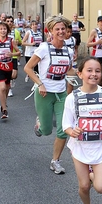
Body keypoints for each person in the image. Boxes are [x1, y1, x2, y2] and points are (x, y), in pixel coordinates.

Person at [62, 57, 102, 204]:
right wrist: (73, 131)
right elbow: (66, 125)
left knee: (101, 188)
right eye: (89, 70)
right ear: (79, 73)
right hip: (80, 148)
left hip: (100, 148)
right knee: (85, 186)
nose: (94, 74)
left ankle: (93, 175)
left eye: (97, 70)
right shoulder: (72, 98)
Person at [23, 15, 74, 175]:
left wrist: (71, 90)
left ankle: (55, 161)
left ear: (66, 31)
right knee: (46, 131)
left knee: (63, 129)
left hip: (61, 94)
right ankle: (40, 123)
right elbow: (28, 68)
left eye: (63, 29)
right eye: (57, 29)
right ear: (50, 31)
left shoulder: (69, 50)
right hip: (44, 93)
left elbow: (69, 71)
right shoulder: (44, 48)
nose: (60, 31)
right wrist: (40, 84)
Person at [0, 21, 21, 119]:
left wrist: (12, 54)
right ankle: (4, 110)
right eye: (1, 29)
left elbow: (19, 52)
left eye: (5, 29)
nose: (3, 31)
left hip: (8, 66)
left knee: (6, 88)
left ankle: (3, 103)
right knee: (2, 88)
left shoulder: (11, 40)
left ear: (7, 30)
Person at [6, 16, 22, 97]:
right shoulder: (2, 31)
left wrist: (17, 43)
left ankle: (12, 80)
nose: (9, 23)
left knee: (14, 75)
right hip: (5, 57)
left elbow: (20, 42)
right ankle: (9, 90)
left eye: (11, 21)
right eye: (8, 21)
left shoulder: (16, 32)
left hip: (14, 55)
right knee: (8, 74)